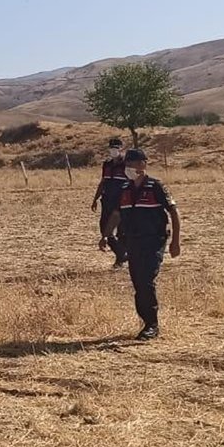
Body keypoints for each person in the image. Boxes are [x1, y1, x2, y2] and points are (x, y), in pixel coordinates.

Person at [101, 149, 181, 340]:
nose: (129, 168)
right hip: (132, 242)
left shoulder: (156, 186)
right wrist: (106, 235)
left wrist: (176, 242)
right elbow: (117, 214)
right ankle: (146, 321)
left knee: (146, 280)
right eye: (127, 165)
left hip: (154, 241)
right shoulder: (125, 189)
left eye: (133, 164)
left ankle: (152, 325)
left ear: (143, 164)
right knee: (138, 283)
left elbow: (174, 213)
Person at [91, 138, 127, 267]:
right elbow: (103, 182)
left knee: (122, 231)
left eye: (116, 148)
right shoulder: (107, 164)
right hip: (107, 201)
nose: (114, 150)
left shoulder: (127, 164)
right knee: (104, 228)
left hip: (122, 202)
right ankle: (121, 254)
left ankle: (120, 259)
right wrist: (95, 199)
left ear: (122, 149)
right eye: (112, 148)